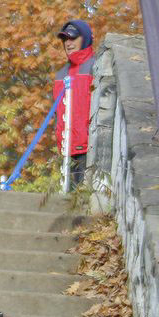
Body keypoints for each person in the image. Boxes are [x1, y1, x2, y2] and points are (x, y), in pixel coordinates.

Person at [54, 18, 95, 191]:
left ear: (84, 38)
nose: (68, 43)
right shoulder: (61, 74)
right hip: (66, 149)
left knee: (84, 202)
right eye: (65, 39)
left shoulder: (97, 67)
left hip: (90, 149)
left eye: (73, 38)